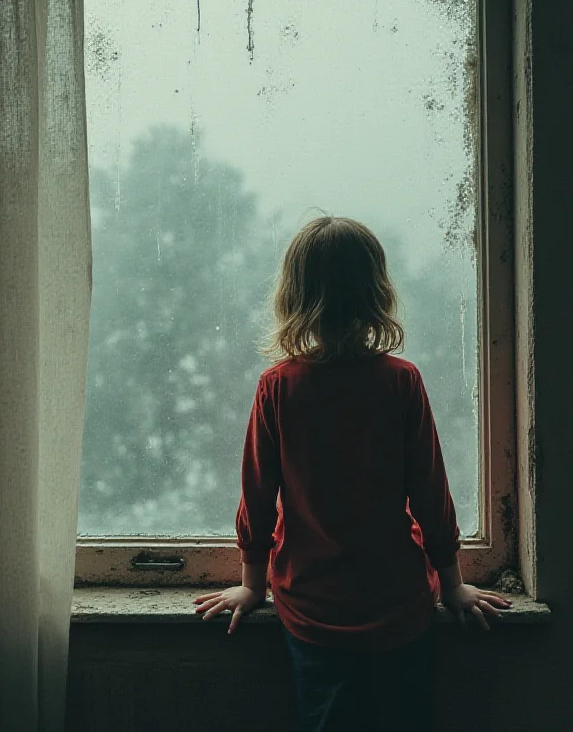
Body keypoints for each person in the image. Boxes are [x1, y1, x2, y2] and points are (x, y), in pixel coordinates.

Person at [193, 216, 511, 732]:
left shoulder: (279, 387)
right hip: (399, 606)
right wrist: (452, 584)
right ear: (375, 291)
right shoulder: (400, 382)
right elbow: (431, 490)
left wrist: (252, 584)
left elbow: (257, 493)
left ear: (293, 296)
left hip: (312, 608)